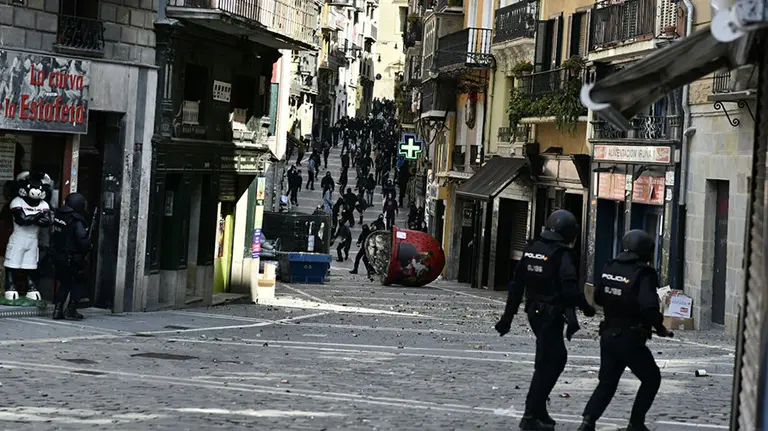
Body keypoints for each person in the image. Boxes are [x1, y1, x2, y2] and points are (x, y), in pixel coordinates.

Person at [495, 209, 596, 430]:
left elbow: (516, 285)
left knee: (545, 360)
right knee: (552, 362)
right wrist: (587, 307)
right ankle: (530, 414)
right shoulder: (562, 255)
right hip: (550, 314)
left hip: (534, 311)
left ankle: (539, 410)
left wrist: (507, 318)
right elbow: (570, 288)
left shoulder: (532, 248)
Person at [577, 230, 672, 431]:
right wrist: (660, 326)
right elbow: (648, 307)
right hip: (630, 337)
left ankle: (587, 421)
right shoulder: (644, 273)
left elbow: (599, 297)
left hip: (608, 334)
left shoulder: (610, 266)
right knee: (652, 378)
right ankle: (636, 423)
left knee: (607, 382)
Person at [50, 193, 91, 320]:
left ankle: (57, 309)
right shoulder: (76, 220)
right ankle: (71, 309)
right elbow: (82, 240)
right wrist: (88, 246)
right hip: (72, 257)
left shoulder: (59, 215)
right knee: (79, 281)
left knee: (64, 283)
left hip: (58, 255)